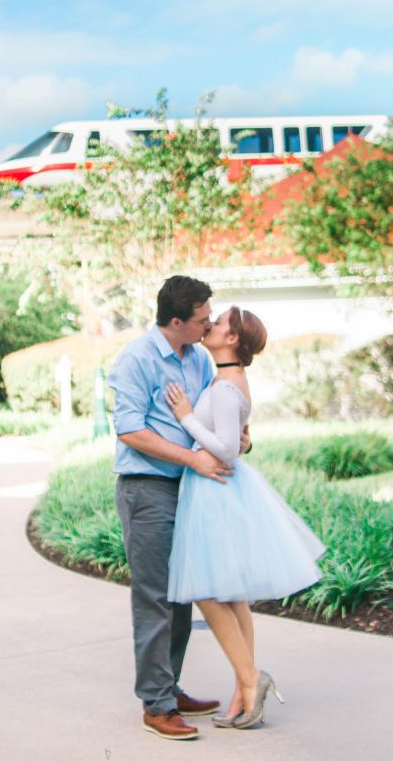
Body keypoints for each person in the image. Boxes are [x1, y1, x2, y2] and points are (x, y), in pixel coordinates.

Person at [165, 306, 325, 730]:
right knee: (230, 593)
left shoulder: (223, 385)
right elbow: (237, 438)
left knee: (206, 589)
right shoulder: (232, 380)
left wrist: (184, 418)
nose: (210, 325)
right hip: (220, 489)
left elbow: (226, 448)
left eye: (217, 324)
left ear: (232, 339)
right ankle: (243, 690)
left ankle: (252, 679)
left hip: (214, 490)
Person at [110, 275, 247, 742]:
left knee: (182, 594)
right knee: (154, 597)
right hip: (147, 490)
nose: (208, 323)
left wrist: (237, 440)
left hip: (190, 490)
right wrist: (193, 457)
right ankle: (157, 704)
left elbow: (211, 414)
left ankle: (168, 687)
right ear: (175, 322)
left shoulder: (200, 358)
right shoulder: (137, 359)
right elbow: (129, 430)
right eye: (201, 319)